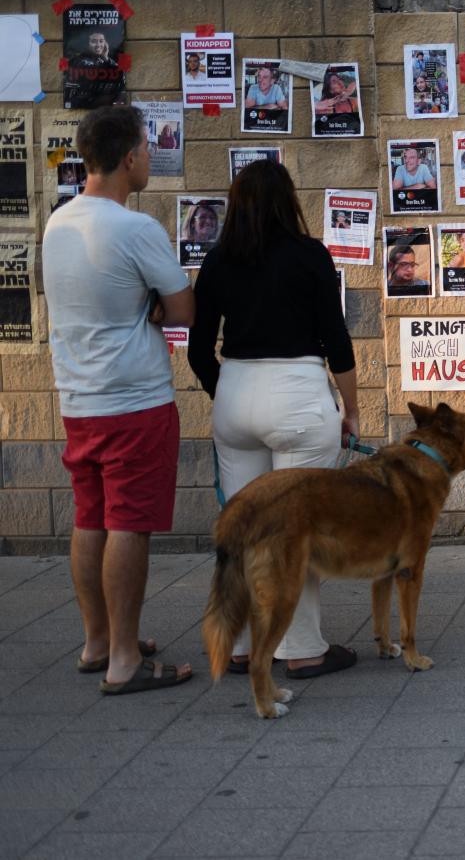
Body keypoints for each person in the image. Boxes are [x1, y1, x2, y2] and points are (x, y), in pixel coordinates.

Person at [42, 105, 196, 694]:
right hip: (134, 400)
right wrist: (153, 307)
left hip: (79, 398)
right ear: (130, 157)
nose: (150, 157)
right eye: (146, 149)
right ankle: (126, 661)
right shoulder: (135, 228)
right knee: (129, 523)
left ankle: (98, 641)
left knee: (91, 518)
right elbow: (183, 309)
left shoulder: (59, 221)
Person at [187, 159, 359, 680]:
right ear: (290, 203)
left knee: (246, 530)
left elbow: (198, 351)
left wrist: (230, 393)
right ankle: (301, 647)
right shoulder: (310, 256)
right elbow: (338, 343)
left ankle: (240, 645)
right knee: (296, 532)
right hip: (300, 398)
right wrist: (351, 410)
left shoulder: (217, 262)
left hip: (236, 397)